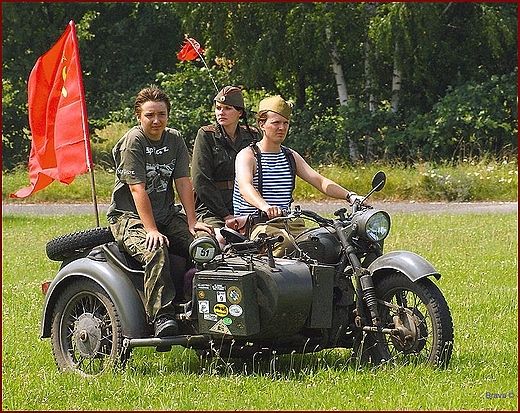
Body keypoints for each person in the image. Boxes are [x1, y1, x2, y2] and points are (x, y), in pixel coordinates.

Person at [107, 85, 213, 338]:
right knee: (156, 250)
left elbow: (183, 182)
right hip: (129, 217)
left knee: (206, 246)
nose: (156, 121)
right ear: (138, 117)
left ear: (168, 115)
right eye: (150, 115)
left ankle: (200, 307)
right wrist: (151, 229)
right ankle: (161, 315)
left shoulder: (174, 138)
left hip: (166, 214)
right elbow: (137, 189)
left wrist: (192, 222)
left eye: (161, 114)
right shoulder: (134, 141)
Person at [233, 95, 364, 257]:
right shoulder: (248, 155)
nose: (281, 128)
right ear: (262, 125)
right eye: (275, 123)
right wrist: (265, 207)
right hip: (255, 226)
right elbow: (245, 188)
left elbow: (320, 181)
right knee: (285, 244)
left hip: (288, 224)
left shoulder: (290, 156)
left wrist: (350, 196)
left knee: (325, 243)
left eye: (285, 123)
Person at [192, 86, 260, 243]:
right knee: (222, 239)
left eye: (227, 108)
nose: (221, 113)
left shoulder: (252, 136)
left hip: (244, 206)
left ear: (240, 112)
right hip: (212, 209)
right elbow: (201, 181)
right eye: (218, 108)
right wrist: (225, 215)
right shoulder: (206, 135)